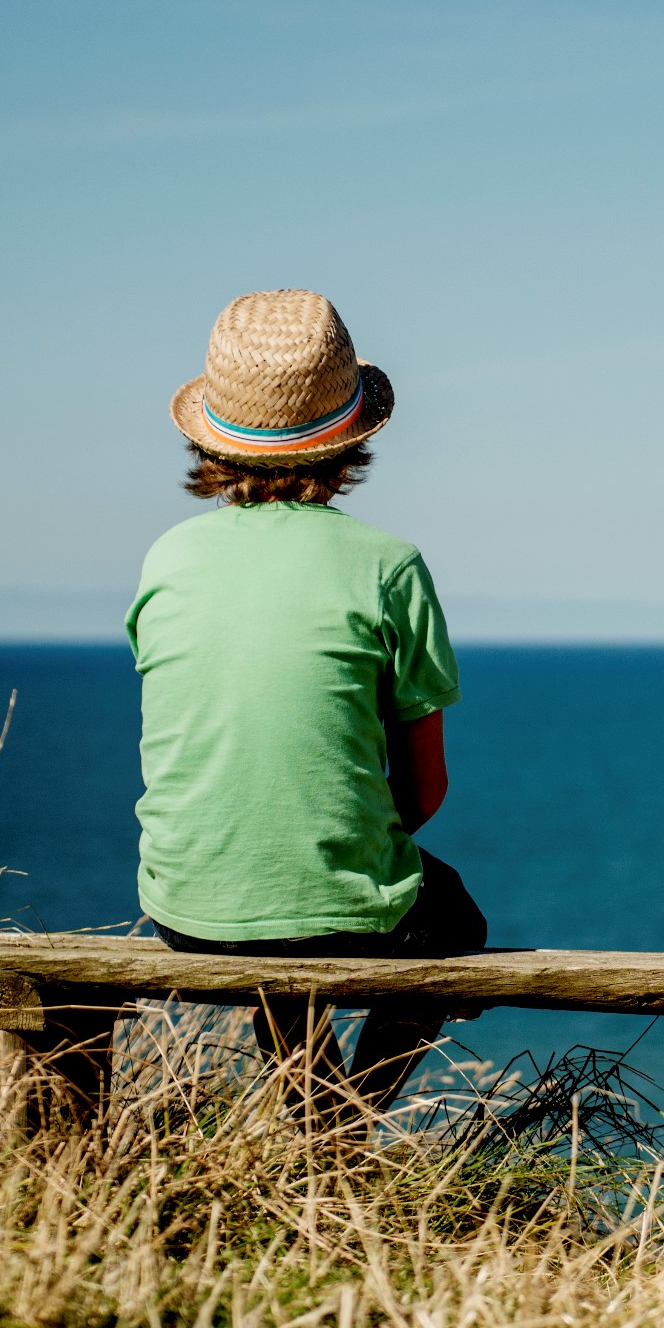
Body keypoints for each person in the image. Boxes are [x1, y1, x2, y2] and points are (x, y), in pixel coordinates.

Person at [129, 288, 485, 1110]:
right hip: (334, 909)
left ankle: (313, 1109)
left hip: (185, 907)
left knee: (279, 903)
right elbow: (424, 792)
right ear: (349, 437)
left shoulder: (167, 559)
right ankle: (349, 1119)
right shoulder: (388, 566)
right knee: (453, 919)